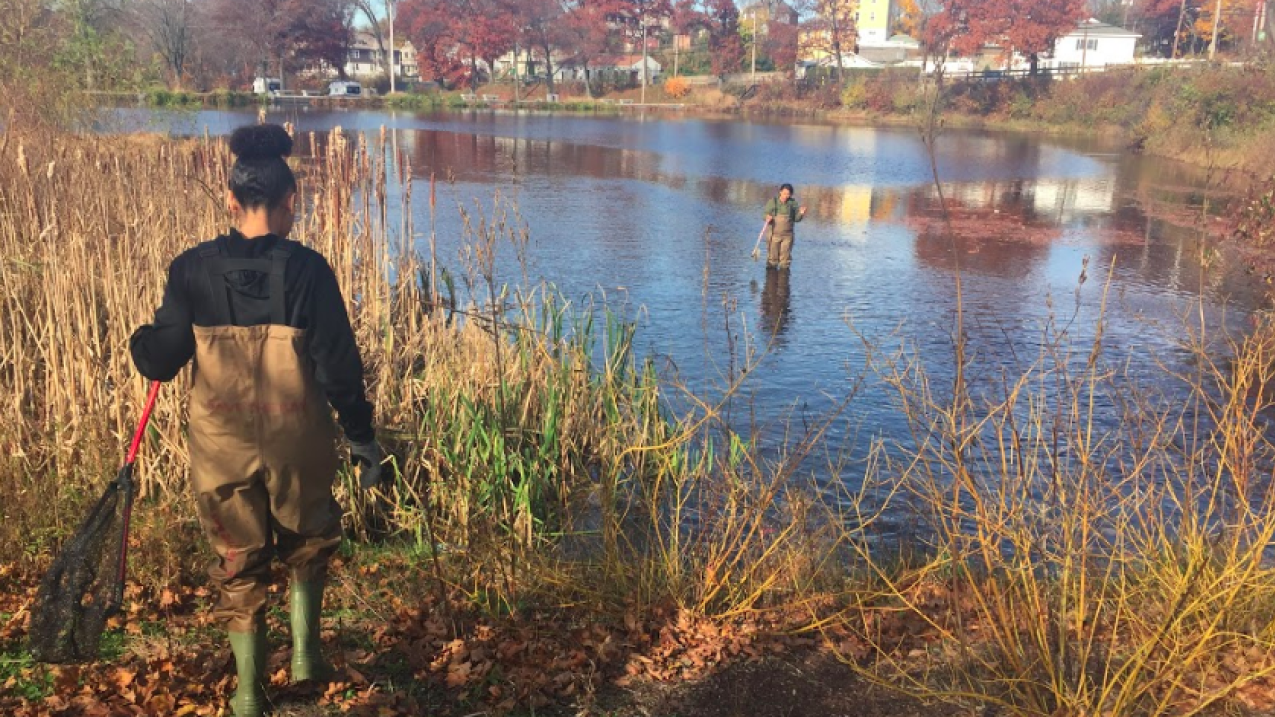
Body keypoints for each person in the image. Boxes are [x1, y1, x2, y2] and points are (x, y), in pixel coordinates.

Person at [129, 124, 386, 717]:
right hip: (297, 435)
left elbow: (162, 357)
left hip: (221, 442)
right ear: (290, 202)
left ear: (230, 199)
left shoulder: (191, 268)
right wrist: (361, 437)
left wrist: (144, 343)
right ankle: (306, 658)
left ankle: (249, 695)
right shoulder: (308, 270)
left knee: (238, 561)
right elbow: (338, 364)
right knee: (309, 539)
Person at [763, 183, 807, 269]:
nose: (786, 196)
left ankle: (784, 279)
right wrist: (767, 217)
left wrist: (801, 213)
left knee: (785, 261)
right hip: (774, 235)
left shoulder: (793, 203)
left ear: (791, 194)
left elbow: (796, 219)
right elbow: (764, 215)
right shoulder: (773, 202)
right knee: (772, 259)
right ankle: (770, 279)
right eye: (784, 193)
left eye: (788, 194)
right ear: (780, 192)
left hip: (787, 236)